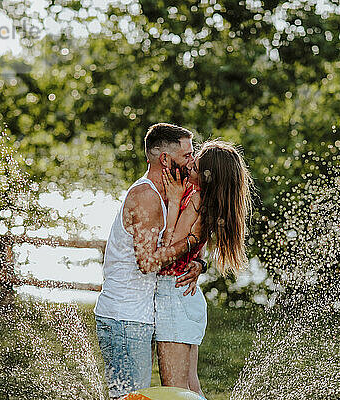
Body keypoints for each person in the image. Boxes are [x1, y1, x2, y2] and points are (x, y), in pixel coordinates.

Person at [94, 123, 205, 400]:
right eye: (187, 155)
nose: (193, 161)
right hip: (124, 318)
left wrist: (200, 263)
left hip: (138, 317)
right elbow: (148, 263)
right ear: (165, 159)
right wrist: (190, 241)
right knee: (130, 399)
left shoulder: (167, 195)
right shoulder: (146, 197)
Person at [154, 140, 254, 397]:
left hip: (174, 294)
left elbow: (168, 248)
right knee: (190, 387)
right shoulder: (206, 200)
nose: (189, 165)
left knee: (176, 392)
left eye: (195, 165)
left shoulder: (196, 199)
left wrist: (175, 200)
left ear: (207, 177)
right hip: (186, 296)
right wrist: (200, 263)